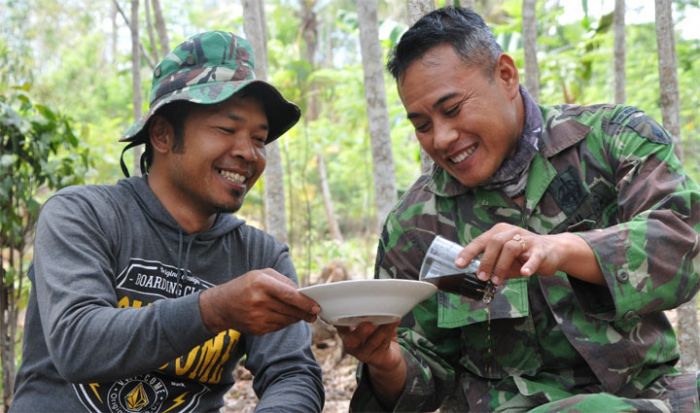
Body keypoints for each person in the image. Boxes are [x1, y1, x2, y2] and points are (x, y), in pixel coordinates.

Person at [339, 6, 700, 412]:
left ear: (506, 76)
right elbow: (421, 379)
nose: (441, 138)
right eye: (422, 125)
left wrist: (562, 249)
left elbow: (684, 243)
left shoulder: (613, 139)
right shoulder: (415, 225)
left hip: (653, 396)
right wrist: (384, 360)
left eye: (453, 109)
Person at [10, 31, 324, 413]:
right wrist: (213, 309)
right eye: (227, 130)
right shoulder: (83, 214)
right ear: (161, 134)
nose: (248, 153)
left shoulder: (261, 256)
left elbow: (292, 374)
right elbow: (78, 343)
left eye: (259, 139)